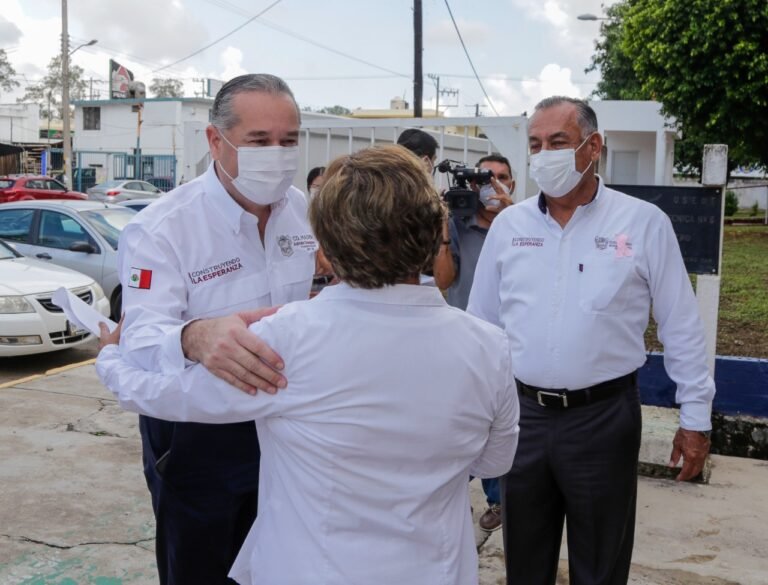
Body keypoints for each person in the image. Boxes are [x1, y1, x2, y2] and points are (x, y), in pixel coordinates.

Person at [97, 144, 520, 585]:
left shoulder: (289, 338)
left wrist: (111, 356)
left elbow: (162, 394)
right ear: (437, 232)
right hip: (436, 570)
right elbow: (495, 460)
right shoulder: (489, 348)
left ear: (327, 245)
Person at [468, 96, 715, 585]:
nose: (543, 154)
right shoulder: (510, 228)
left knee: (600, 565)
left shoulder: (643, 223)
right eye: (535, 144)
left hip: (604, 420)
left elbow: (681, 325)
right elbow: (482, 326)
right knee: (525, 561)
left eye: (557, 142)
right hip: (524, 419)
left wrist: (696, 418)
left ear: (593, 146)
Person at [115, 74, 316, 584]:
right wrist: (193, 336)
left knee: (281, 564)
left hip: (288, 426)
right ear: (215, 141)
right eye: (258, 141)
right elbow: (138, 339)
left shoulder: (305, 213)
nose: (277, 153)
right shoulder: (164, 227)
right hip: (198, 436)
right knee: (201, 568)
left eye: (288, 140)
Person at [436, 153, 514, 532]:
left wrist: (510, 214)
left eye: (498, 178)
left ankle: (500, 500)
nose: (489, 186)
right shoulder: (457, 224)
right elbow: (442, 281)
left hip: (509, 348)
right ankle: (449, 494)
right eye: (483, 178)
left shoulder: (523, 226)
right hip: (461, 345)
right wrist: (444, 229)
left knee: (500, 427)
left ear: (510, 185)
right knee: (461, 425)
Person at [396, 128, 454, 289]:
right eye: (434, 160)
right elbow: (443, 279)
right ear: (426, 160)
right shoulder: (425, 203)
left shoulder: (375, 192)